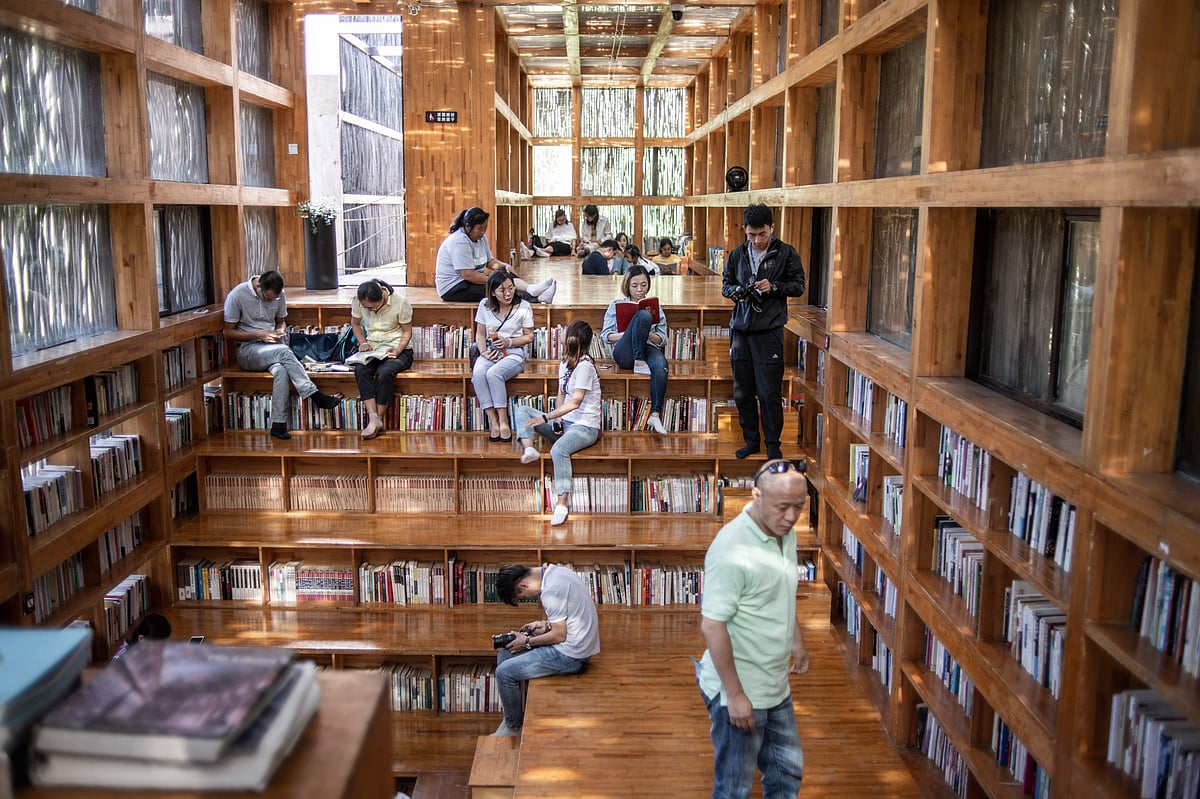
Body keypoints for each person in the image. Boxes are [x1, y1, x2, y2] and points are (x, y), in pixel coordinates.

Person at [696, 459, 811, 798]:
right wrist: (735, 696)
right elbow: (713, 626)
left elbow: (781, 591)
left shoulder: (783, 533)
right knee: (734, 788)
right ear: (756, 495)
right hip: (740, 692)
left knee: (786, 773)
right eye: (783, 508)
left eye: (799, 507)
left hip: (775, 686)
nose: (791, 517)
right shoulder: (732, 549)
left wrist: (797, 640)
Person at [722, 204, 806, 460]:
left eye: (762, 234)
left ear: (772, 228)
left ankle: (773, 444)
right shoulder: (737, 255)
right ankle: (751, 441)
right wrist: (737, 292)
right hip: (740, 331)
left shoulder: (786, 253)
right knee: (743, 391)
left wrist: (774, 286)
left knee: (769, 392)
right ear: (744, 231)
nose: (757, 240)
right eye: (751, 235)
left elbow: (799, 286)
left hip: (769, 332)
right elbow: (726, 285)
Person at [223, 270, 341, 440]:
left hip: (272, 347)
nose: (271, 301)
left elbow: (281, 320)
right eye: (268, 298)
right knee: (284, 351)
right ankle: (315, 395)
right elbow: (228, 332)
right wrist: (259, 334)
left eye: (274, 299)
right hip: (248, 350)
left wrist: (280, 330)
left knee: (281, 371)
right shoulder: (237, 295)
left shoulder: (279, 295)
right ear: (258, 287)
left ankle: (278, 425)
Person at [492, 563, 600, 737]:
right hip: (578, 644)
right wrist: (545, 625)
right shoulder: (557, 571)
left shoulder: (550, 591)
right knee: (505, 655)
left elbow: (559, 636)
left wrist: (526, 641)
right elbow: (567, 618)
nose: (528, 598)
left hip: (572, 656)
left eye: (523, 597)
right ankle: (515, 714)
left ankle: (513, 728)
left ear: (523, 586)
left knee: (503, 673)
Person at [512, 321, 601, 526]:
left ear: (572, 339)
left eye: (566, 330)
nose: (561, 332)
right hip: (566, 422)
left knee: (558, 450)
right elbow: (561, 393)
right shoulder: (565, 362)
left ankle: (562, 503)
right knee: (523, 410)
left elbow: (575, 401)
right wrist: (558, 420)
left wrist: (546, 417)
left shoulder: (585, 366)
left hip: (585, 427)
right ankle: (529, 450)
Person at [435, 207, 557, 304]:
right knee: (499, 289)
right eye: (479, 229)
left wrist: (504, 267)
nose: (483, 232)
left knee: (506, 275)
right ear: (467, 226)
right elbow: (468, 275)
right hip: (455, 288)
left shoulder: (481, 238)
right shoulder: (459, 241)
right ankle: (537, 297)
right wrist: (495, 280)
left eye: (485, 228)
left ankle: (532, 290)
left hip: (470, 281)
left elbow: (490, 262)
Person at [600, 265, 669, 435]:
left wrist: (644, 333)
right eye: (635, 285)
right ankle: (638, 361)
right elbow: (606, 336)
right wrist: (629, 333)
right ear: (627, 286)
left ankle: (655, 413)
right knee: (644, 316)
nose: (640, 290)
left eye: (644, 285)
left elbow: (662, 340)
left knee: (661, 365)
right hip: (625, 351)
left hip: (648, 347)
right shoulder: (616, 305)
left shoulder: (655, 307)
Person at [473, 270, 535, 442]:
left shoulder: (523, 306)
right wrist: (484, 351)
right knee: (478, 374)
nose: (508, 293)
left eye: (511, 288)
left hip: (514, 352)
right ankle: (492, 420)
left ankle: (503, 420)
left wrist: (508, 342)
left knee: (494, 374)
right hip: (490, 352)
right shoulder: (484, 305)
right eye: (502, 290)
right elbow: (479, 334)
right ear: (493, 292)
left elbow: (529, 337)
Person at [350, 279, 413, 440]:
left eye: (373, 307)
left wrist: (398, 349)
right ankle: (374, 418)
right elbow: (355, 323)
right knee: (361, 370)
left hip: (397, 349)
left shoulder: (400, 303)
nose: (370, 310)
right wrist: (363, 342)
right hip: (372, 349)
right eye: (366, 308)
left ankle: (378, 418)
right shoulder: (359, 302)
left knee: (385, 373)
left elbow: (406, 331)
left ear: (382, 298)